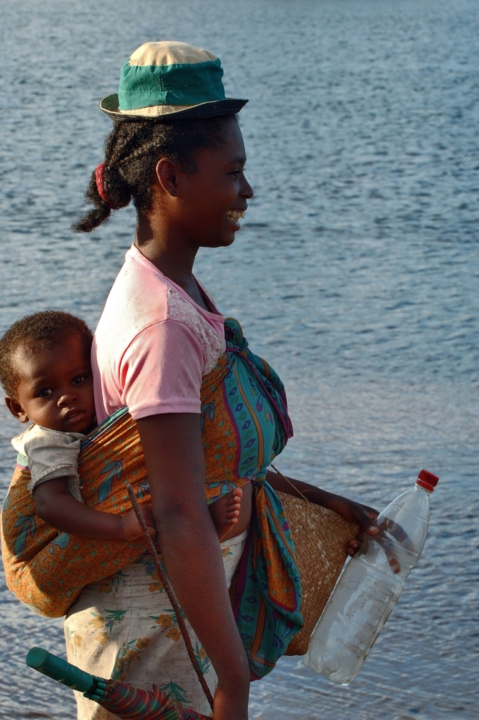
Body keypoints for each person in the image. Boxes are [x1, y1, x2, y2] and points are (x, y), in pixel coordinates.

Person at [60, 41, 381, 720]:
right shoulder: (164, 326)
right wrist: (231, 679)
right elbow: (179, 513)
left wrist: (326, 502)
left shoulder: (172, 292)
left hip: (181, 614)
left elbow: (201, 462)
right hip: (157, 638)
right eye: (233, 173)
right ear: (171, 176)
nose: (247, 191)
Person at [0, 310, 240, 544]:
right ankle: (207, 531)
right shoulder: (47, 441)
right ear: (18, 408)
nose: (66, 397)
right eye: (45, 392)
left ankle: (206, 523)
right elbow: (50, 504)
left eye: (78, 380)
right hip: (80, 534)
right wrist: (120, 527)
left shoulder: (103, 419)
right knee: (147, 526)